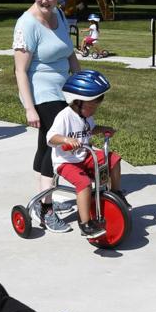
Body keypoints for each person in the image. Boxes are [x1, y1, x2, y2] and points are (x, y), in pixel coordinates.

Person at [14, 0, 82, 233]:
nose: (45, 1)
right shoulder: (26, 24)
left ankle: (44, 197)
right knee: (56, 144)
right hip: (41, 90)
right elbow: (20, 71)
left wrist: (81, 78)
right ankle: (46, 209)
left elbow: (69, 52)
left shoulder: (60, 15)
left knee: (45, 145)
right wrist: (29, 107)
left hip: (64, 88)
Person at [47, 70, 123, 239]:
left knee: (113, 159)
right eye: (91, 107)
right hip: (66, 162)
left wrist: (101, 129)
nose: (93, 111)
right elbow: (51, 138)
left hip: (84, 156)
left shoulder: (86, 117)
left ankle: (116, 194)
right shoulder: (64, 116)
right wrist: (65, 139)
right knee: (84, 184)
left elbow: (88, 130)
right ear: (76, 102)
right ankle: (85, 223)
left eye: (96, 108)